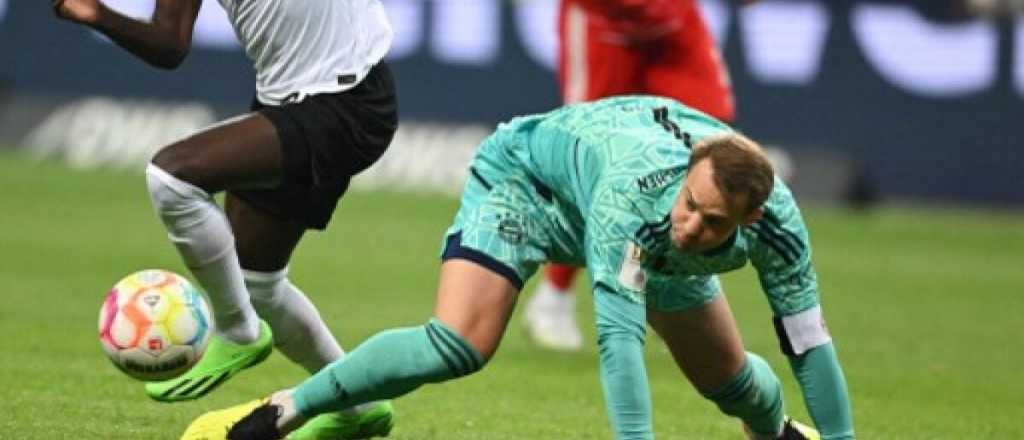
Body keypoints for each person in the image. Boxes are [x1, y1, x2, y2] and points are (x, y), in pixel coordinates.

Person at [180, 96, 855, 440]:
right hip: (528, 187)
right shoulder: (638, 199)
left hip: (635, 234)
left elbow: (808, 342)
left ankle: (772, 433)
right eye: (691, 204)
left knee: (736, 386)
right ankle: (287, 410)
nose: (693, 225)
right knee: (459, 343)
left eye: (713, 223)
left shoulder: (778, 228)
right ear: (688, 174)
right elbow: (619, 343)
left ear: (751, 218)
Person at [53, 0, 398, 437]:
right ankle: (359, 404)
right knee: (258, 285)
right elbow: (169, 42)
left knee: (171, 177)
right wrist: (94, 14)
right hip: (286, 101)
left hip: (347, 99)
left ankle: (238, 331)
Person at [525, 0, 741, 352]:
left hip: (670, 18)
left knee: (710, 137)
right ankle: (553, 297)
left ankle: (673, 290)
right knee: (590, 153)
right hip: (604, 20)